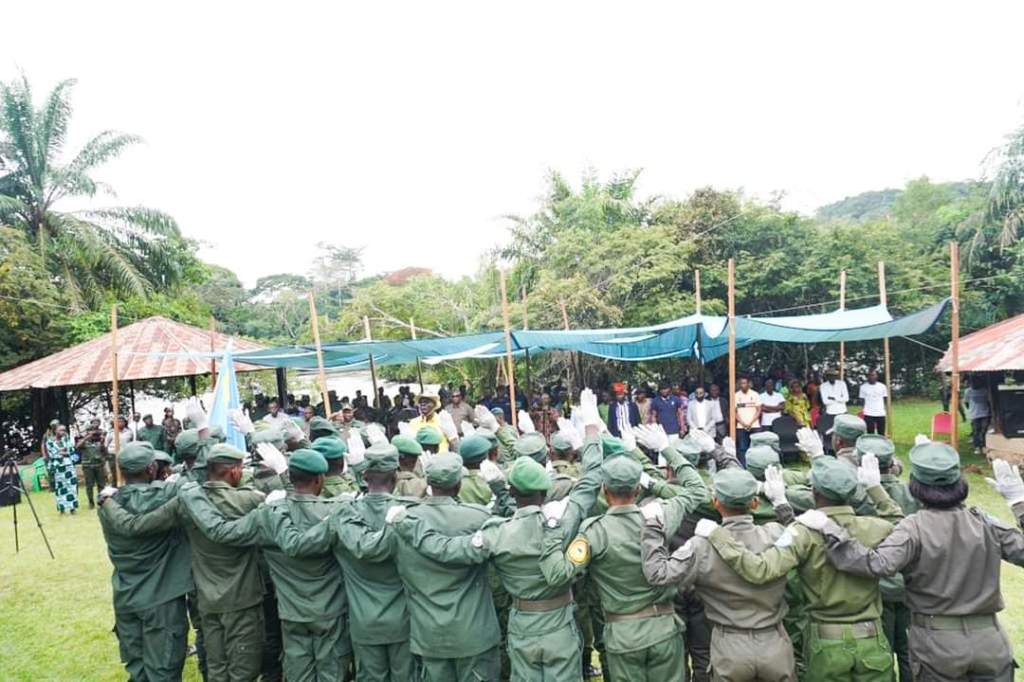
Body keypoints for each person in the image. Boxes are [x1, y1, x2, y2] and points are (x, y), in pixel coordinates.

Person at [387, 413, 605, 682]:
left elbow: (444, 549)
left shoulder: (496, 533)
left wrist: (407, 524)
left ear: (511, 492)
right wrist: (592, 432)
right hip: (559, 622)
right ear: (545, 491)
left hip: (522, 623)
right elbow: (592, 480)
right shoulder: (563, 521)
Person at [811, 443, 1024, 681]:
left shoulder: (913, 527)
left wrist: (831, 530)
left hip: (938, 642)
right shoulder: (984, 522)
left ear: (916, 486)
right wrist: (1019, 503)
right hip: (990, 640)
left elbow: (876, 565)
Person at [699, 455, 902, 682]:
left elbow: (760, 570)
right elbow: (902, 527)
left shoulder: (802, 532)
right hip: (872, 637)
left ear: (813, 492)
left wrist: (718, 536)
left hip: (826, 643)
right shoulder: (874, 527)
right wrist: (876, 490)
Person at [538, 419, 710, 681]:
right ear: (638, 489)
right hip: (663, 628)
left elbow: (557, 574)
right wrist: (666, 448)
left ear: (605, 491)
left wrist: (552, 527)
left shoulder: (594, 531)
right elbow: (697, 491)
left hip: (623, 633)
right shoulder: (660, 516)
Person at [641, 467, 797, 681]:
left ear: (716, 502)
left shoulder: (701, 546)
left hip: (729, 646)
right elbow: (802, 539)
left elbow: (658, 574)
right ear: (754, 503)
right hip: (774, 642)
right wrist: (781, 503)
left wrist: (653, 528)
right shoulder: (775, 534)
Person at [98, 442, 192, 681]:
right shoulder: (166, 496)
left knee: (137, 668)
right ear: (151, 469)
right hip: (161, 598)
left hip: (126, 594)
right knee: (164, 669)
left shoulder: (109, 502)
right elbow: (198, 478)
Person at [44, 421, 79, 514]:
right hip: (58, 467)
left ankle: (72, 508)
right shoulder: (50, 441)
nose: (63, 432)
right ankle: (62, 507)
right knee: (60, 488)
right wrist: (62, 452)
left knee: (72, 487)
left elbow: (71, 451)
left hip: (69, 466)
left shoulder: (66, 439)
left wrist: (62, 452)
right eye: (60, 430)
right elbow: (52, 454)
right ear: (55, 431)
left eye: (64, 430)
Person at [77, 419, 109, 509]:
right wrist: (86, 437)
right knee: (89, 485)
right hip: (88, 466)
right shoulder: (84, 441)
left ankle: (101, 501)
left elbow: (105, 452)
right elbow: (77, 447)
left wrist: (102, 443)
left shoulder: (99, 441)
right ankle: (91, 502)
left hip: (99, 465)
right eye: (91, 431)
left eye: (95, 432)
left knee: (101, 485)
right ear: (88, 432)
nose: (93, 434)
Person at [734, 376, 762, 464]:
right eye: (741, 383)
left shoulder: (755, 394)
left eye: (744, 383)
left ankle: (756, 465)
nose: (743, 385)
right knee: (742, 448)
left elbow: (759, 410)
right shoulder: (736, 395)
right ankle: (744, 466)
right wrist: (743, 423)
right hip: (741, 426)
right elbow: (734, 412)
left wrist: (750, 422)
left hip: (754, 426)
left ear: (748, 384)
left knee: (756, 447)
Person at [964, 377, 991, 455]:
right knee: (976, 431)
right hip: (974, 414)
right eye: (972, 383)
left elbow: (989, 401)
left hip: (985, 413)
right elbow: (966, 402)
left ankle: (984, 446)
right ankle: (977, 447)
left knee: (984, 430)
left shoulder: (985, 390)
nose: (973, 384)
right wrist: (971, 409)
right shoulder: (968, 391)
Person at [858, 370, 888, 435]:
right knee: (870, 433)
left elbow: (885, 398)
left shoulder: (882, 386)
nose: (871, 377)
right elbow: (862, 400)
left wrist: (882, 408)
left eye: (873, 375)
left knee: (881, 433)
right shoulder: (863, 387)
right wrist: (864, 410)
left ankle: (881, 444)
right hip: (869, 413)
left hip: (880, 413)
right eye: (869, 375)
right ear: (867, 377)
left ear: (876, 376)